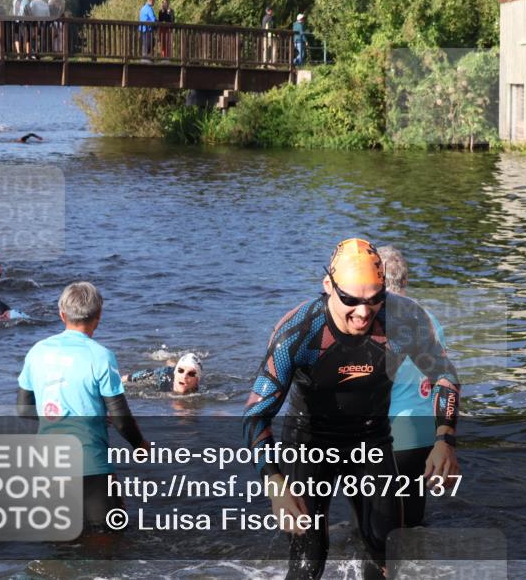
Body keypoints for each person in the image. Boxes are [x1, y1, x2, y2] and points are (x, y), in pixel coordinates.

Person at [243, 238, 460, 580]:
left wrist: (444, 439)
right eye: (350, 301)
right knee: (308, 560)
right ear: (328, 285)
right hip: (308, 446)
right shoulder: (298, 331)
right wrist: (274, 483)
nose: (363, 313)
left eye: (375, 300)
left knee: (385, 554)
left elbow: (445, 375)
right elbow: (256, 414)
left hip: (371, 443)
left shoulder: (403, 320)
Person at [17, 282, 149, 530]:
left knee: (60, 547)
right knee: (110, 540)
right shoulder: (101, 356)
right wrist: (140, 445)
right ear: (98, 317)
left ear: (61, 314)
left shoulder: (37, 352)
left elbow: (24, 410)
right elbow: (120, 417)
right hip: (90, 462)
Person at [377, 245, 445, 528]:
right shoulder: (430, 318)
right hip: (424, 436)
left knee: (376, 525)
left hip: (388, 436)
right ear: (405, 279)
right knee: (414, 521)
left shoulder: (375, 321)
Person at [123, 352, 201, 395]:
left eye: (191, 374)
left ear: (197, 380)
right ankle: (170, 362)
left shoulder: (199, 391)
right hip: (167, 372)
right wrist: (127, 378)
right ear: (176, 373)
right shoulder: (164, 376)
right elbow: (128, 378)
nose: (184, 376)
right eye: (181, 371)